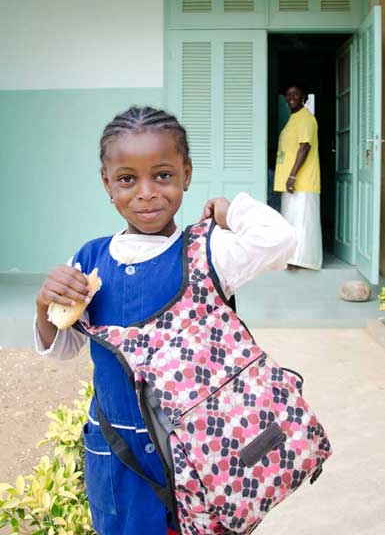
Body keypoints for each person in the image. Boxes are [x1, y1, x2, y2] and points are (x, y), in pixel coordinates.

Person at [34, 106, 296, 535]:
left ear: (186, 175)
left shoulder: (208, 251)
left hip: (202, 455)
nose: (146, 193)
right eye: (126, 179)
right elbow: (62, 347)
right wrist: (45, 304)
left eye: (162, 175)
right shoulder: (89, 260)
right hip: (119, 460)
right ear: (107, 184)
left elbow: (280, 240)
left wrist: (231, 212)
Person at [274, 84, 322, 270]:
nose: (291, 97)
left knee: (302, 223)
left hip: (302, 182)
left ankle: (301, 261)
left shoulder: (305, 118)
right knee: (293, 222)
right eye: (288, 94)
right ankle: (294, 259)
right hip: (293, 183)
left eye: (295, 94)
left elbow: (305, 146)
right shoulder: (294, 118)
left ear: (303, 96)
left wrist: (292, 176)